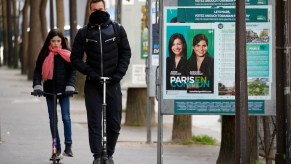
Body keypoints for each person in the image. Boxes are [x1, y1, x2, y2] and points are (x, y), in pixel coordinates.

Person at [70, 0, 131, 163]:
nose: (98, 11)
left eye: (101, 9)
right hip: (93, 83)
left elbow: (126, 53)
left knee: (114, 122)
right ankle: (97, 155)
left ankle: (109, 153)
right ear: (90, 11)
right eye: (95, 9)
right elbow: (75, 57)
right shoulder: (83, 33)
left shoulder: (117, 29)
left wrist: (119, 74)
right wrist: (90, 73)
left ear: (106, 9)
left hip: (113, 82)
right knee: (95, 121)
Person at [32, 28, 77, 159]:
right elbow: (37, 71)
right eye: (53, 41)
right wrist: (37, 85)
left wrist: (70, 85)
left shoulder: (67, 54)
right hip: (49, 90)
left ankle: (68, 146)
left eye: (58, 41)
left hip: (64, 91)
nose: (56, 44)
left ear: (62, 41)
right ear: (49, 41)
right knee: (53, 120)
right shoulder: (45, 53)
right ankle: (56, 148)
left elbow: (73, 71)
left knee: (66, 117)